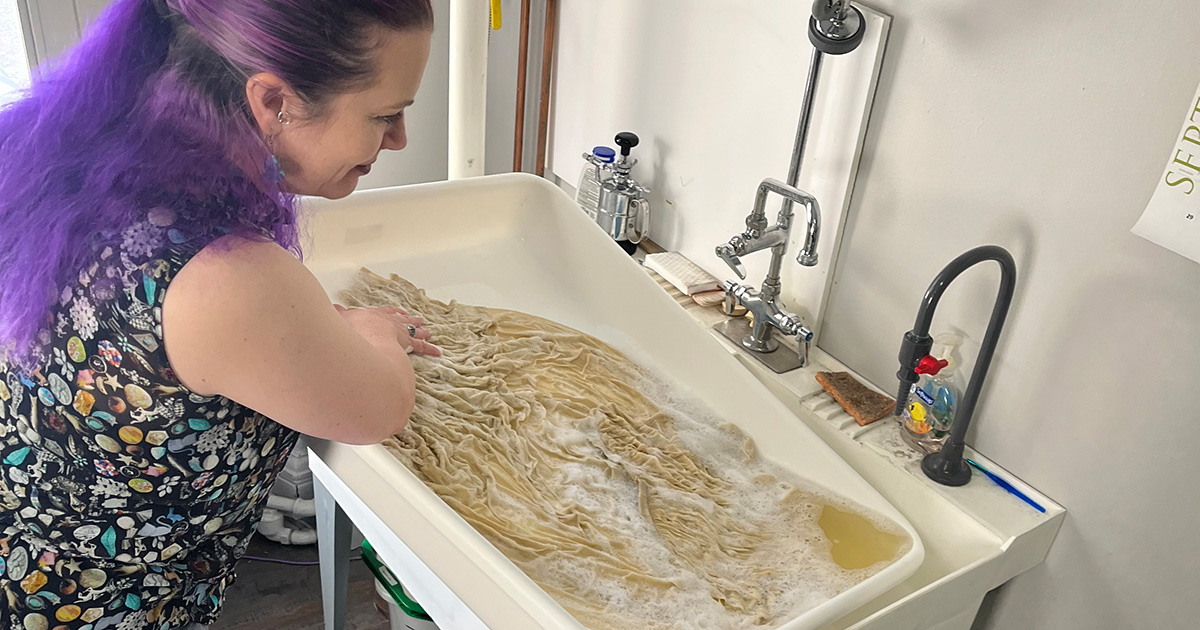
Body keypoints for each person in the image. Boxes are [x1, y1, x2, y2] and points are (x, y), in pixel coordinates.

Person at [0, 0, 440, 627]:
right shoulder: (226, 277)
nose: (399, 139)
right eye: (385, 114)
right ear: (273, 102)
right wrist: (374, 333)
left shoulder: (81, 159)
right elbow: (380, 408)